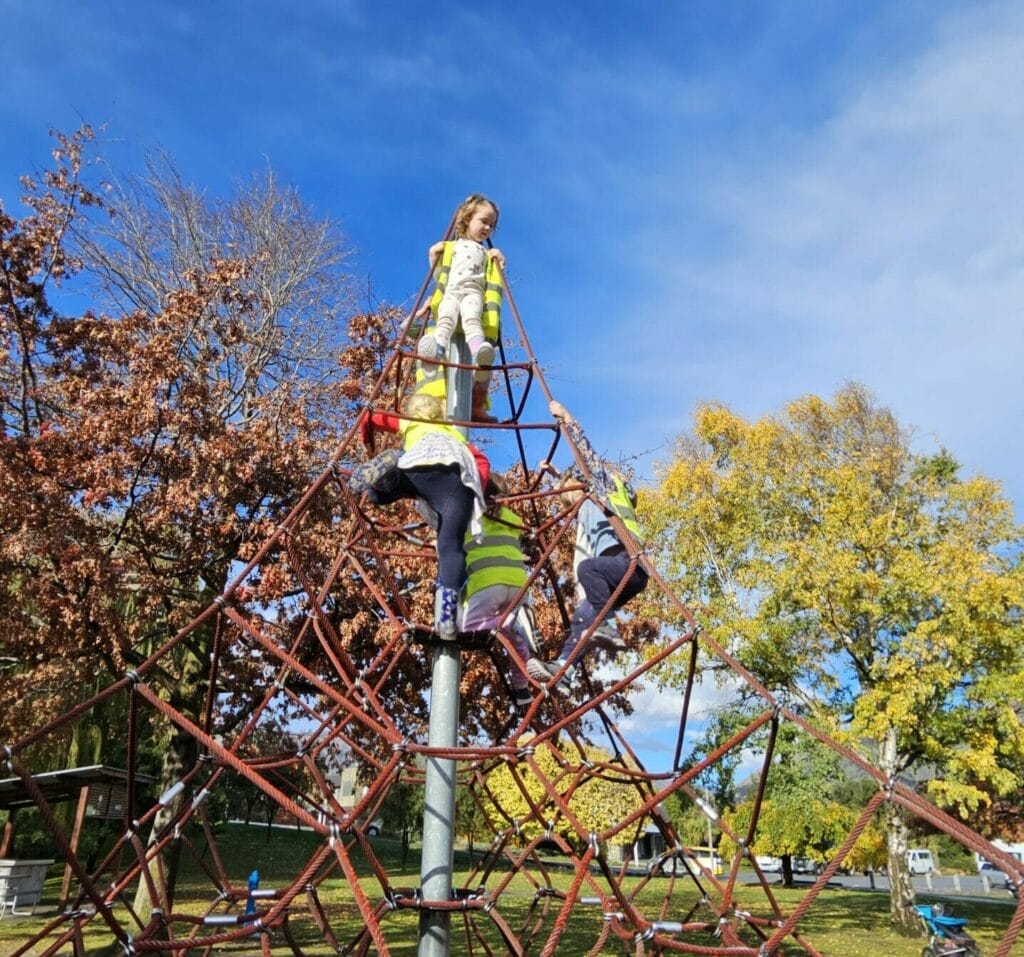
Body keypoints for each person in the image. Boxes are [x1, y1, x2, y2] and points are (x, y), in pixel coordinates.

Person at [527, 400, 648, 689]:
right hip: (620, 573)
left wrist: (569, 418)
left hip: (625, 561)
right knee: (583, 619)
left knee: (587, 570)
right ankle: (564, 672)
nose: (571, 504)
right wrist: (558, 478)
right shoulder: (596, 500)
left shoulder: (604, 488)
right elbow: (575, 493)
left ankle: (605, 624)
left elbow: (587, 457)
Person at [355, 392, 488, 637]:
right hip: (455, 481)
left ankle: (384, 472)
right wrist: (477, 489)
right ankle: (446, 619)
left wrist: (369, 447)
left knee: (377, 495)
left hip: (416, 465)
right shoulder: (455, 434)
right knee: (452, 547)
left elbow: (370, 417)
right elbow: (481, 461)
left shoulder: (409, 422)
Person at [408, 194, 506, 423]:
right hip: (451, 293)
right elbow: (439, 270)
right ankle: (437, 349)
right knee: (446, 318)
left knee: (473, 318)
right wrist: (434, 252)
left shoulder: (486, 253)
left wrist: (499, 259)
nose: (488, 228)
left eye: (492, 225)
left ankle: (479, 352)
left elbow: (496, 275)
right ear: (467, 218)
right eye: (483, 221)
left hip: (473, 293)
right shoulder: (452, 247)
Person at [460, 473, 538, 711]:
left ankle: (511, 621)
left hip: (487, 583)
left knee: (467, 631)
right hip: (518, 585)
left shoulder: (468, 518)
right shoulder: (513, 518)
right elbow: (528, 538)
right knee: (518, 645)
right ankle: (522, 689)